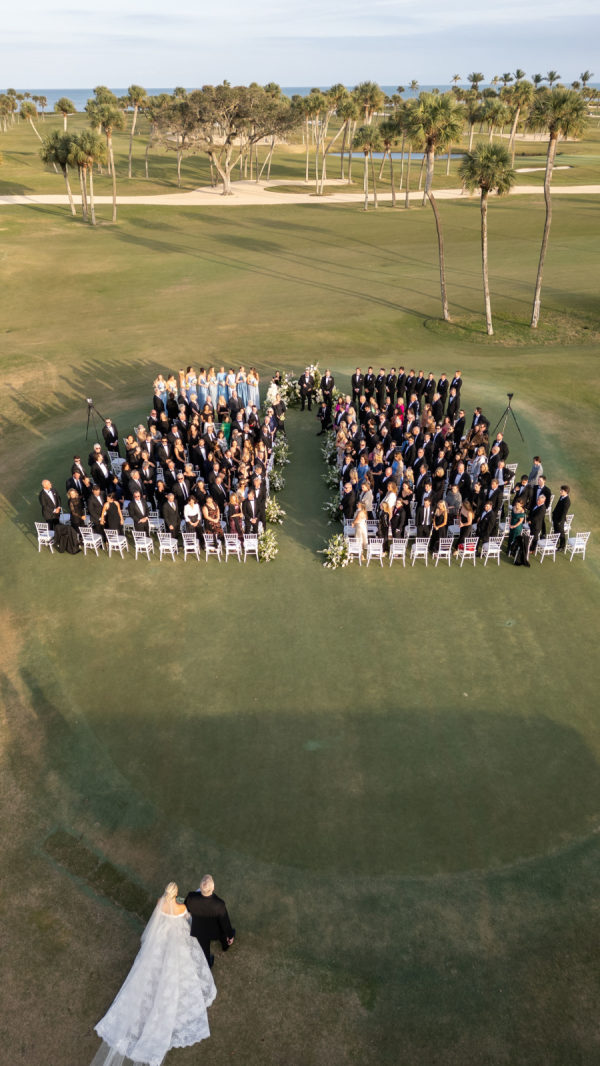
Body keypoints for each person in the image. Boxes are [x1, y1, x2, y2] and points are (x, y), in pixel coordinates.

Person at [92, 882, 216, 1066]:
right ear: (175, 893)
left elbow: (159, 918)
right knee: (178, 965)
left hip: (161, 937)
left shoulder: (160, 902)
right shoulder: (181, 907)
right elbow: (186, 918)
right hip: (175, 939)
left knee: (153, 966)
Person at [185, 875, 235, 968]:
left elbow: (187, 908)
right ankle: (225, 946)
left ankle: (208, 963)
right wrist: (230, 935)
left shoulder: (191, 897)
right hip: (215, 930)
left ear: (200, 887)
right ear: (213, 888)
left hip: (200, 930)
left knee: (204, 949)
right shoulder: (219, 904)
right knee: (223, 934)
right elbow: (225, 922)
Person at [552, 485, 571, 551]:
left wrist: (560, 521)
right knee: (555, 530)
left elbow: (564, 513)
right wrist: (553, 513)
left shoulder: (567, 501)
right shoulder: (561, 497)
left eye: (562, 491)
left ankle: (562, 546)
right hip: (555, 517)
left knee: (561, 533)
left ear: (566, 492)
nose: (560, 491)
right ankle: (555, 542)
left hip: (560, 520)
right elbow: (557, 506)